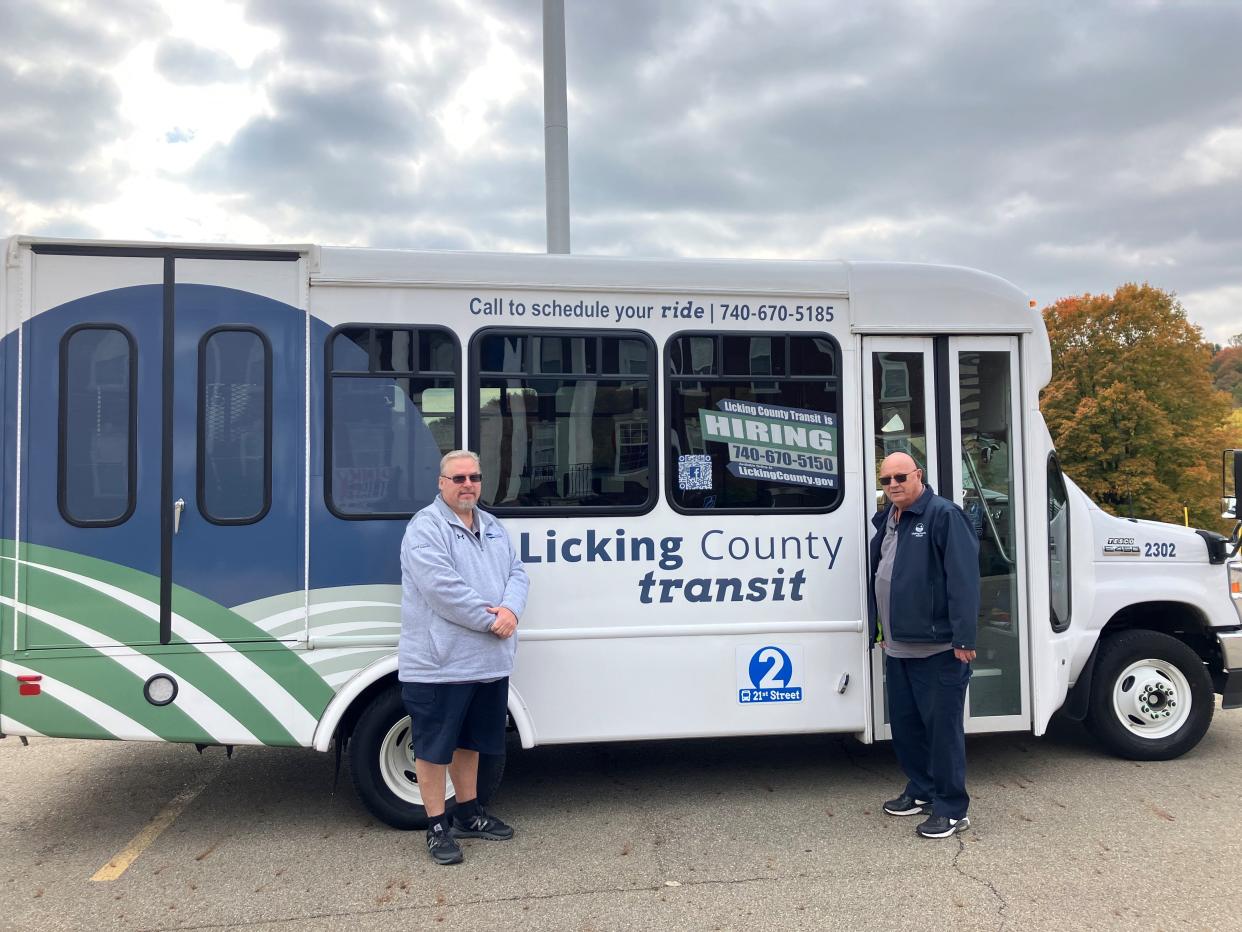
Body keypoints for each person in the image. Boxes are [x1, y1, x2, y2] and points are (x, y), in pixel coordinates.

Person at [399, 450, 529, 865]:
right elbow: (443, 591)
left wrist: (510, 610)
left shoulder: (491, 525)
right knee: (435, 748)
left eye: (474, 476)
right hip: (440, 665)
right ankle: (437, 826)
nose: (468, 484)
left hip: (487, 663)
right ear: (441, 483)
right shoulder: (426, 528)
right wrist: (493, 622)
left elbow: (518, 573)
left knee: (472, 743)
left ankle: (468, 814)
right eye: (458, 478)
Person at [867, 451, 979, 838]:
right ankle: (921, 790)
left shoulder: (943, 515)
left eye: (901, 477)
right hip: (898, 647)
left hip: (938, 649)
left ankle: (951, 808)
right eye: (886, 480)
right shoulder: (889, 520)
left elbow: (963, 579)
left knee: (942, 731)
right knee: (906, 726)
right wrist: (882, 633)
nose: (894, 484)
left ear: (919, 475)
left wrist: (964, 638)